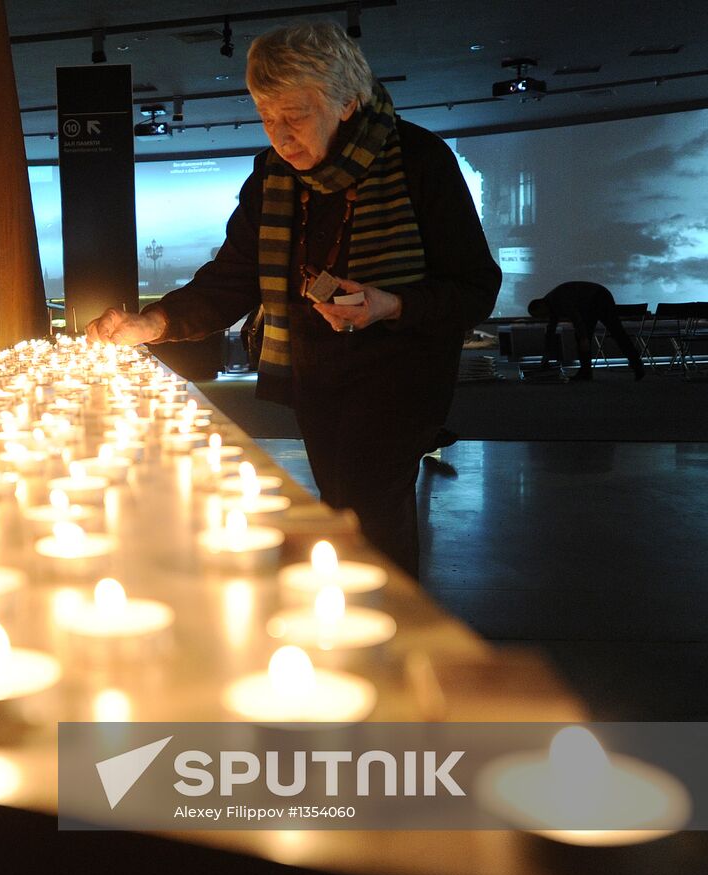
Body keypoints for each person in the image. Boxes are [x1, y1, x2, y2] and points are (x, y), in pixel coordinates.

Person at [86, 20, 500, 579]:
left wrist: (389, 304)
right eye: (266, 117)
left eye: (296, 116)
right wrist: (152, 323)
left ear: (348, 102)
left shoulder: (419, 161)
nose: (280, 137)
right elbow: (233, 278)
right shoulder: (272, 177)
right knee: (343, 510)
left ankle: (393, 637)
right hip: (317, 380)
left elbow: (475, 287)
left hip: (400, 380)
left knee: (370, 518)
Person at [530, 281, 645, 380]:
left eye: (539, 315)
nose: (542, 317)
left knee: (617, 332)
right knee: (586, 336)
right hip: (590, 303)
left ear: (540, 306)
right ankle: (585, 372)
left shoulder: (557, 299)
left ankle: (637, 364)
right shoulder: (551, 305)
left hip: (599, 298)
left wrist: (584, 338)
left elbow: (576, 318)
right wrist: (546, 353)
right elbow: (551, 329)